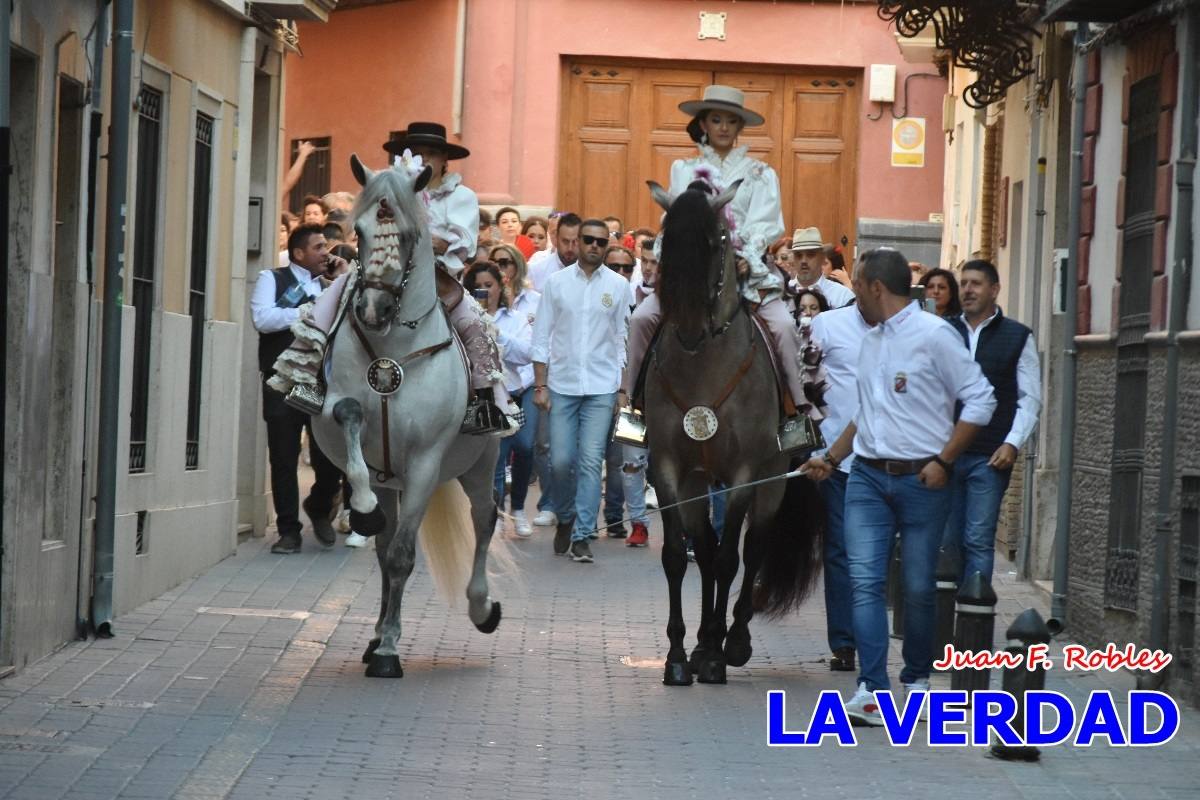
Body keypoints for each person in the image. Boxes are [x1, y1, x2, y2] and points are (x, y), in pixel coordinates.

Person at [804, 247, 995, 727]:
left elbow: (981, 400)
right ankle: (872, 689)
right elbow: (865, 413)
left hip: (923, 481)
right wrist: (831, 458)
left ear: (875, 288)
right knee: (864, 581)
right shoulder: (870, 339)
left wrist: (945, 460)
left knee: (916, 586)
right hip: (866, 476)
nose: (853, 300)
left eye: (857, 289)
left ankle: (917, 680)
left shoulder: (936, 336)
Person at [268, 122, 515, 436]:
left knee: (474, 322)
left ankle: (482, 403)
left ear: (444, 160)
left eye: (432, 153)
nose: (425, 159)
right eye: (418, 153)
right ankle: (307, 377)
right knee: (332, 298)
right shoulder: (386, 186)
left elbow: (462, 242)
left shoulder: (461, 196)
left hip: (436, 275)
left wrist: (423, 238)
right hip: (382, 268)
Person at [623, 85, 825, 438]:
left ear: (739, 127)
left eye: (731, 121)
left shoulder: (761, 173)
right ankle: (634, 406)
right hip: (691, 276)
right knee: (642, 319)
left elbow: (766, 222)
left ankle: (796, 412)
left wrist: (742, 257)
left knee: (783, 329)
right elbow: (677, 218)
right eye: (716, 119)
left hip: (747, 275)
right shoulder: (684, 169)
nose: (723, 127)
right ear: (703, 123)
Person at [531, 219, 631, 563]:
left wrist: (621, 389)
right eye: (588, 239)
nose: (593, 246)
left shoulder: (619, 286)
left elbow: (622, 339)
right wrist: (540, 384)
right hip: (562, 385)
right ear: (578, 242)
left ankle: (583, 534)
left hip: (602, 387)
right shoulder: (556, 284)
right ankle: (566, 515)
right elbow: (541, 335)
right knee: (560, 462)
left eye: (601, 242)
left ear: (607, 246)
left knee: (591, 462)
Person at [251, 224, 350, 554]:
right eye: (319, 247)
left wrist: (340, 283)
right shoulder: (271, 278)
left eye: (326, 246)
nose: (327, 252)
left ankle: (319, 505)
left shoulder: (331, 285)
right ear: (298, 253)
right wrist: (310, 311)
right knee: (283, 456)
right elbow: (263, 319)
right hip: (282, 381)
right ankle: (288, 531)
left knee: (327, 456)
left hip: (319, 382)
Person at [944, 260, 1041, 583]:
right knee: (946, 542)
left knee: (977, 540)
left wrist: (1013, 443)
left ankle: (974, 620)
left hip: (989, 457)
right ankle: (946, 621)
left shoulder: (1017, 336)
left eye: (976, 284)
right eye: (964, 284)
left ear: (994, 290)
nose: (967, 290)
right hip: (944, 455)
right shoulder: (944, 331)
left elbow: (1029, 398)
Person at [809, 298, 876, 672]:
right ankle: (844, 643)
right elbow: (805, 380)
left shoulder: (898, 332)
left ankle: (867, 635)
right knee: (838, 547)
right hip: (835, 455)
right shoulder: (827, 325)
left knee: (870, 553)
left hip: (881, 456)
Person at [468, 258, 540, 539]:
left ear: (501, 286)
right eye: (478, 287)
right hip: (488, 395)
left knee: (524, 447)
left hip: (518, 392)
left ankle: (519, 508)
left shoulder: (516, 319)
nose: (484, 292)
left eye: (489, 285)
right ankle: (496, 513)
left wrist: (497, 337)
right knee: (496, 457)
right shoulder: (465, 318)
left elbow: (526, 353)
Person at [789, 227, 855, 308]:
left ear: (822, 258)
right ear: (793, 259)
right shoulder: (784, 293)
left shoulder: (842, 296)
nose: (804, 261)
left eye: (810, 255)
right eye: (798, 255)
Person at [527, 213, 581, 291]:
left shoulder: (592, 272)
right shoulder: (536, 271)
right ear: (557, 239)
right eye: (565, 241)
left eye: (575, 241)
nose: (570, 248)